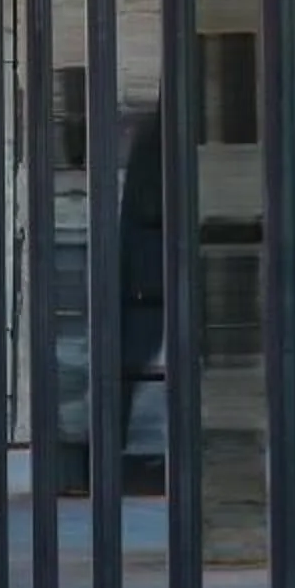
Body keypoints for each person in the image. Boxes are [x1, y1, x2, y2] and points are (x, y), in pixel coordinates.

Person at [114, 102, 167, 482]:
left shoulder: (151, 136)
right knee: (136, 355)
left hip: (145, 269)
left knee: (136, 356)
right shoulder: (158, 138)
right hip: (151, 271)